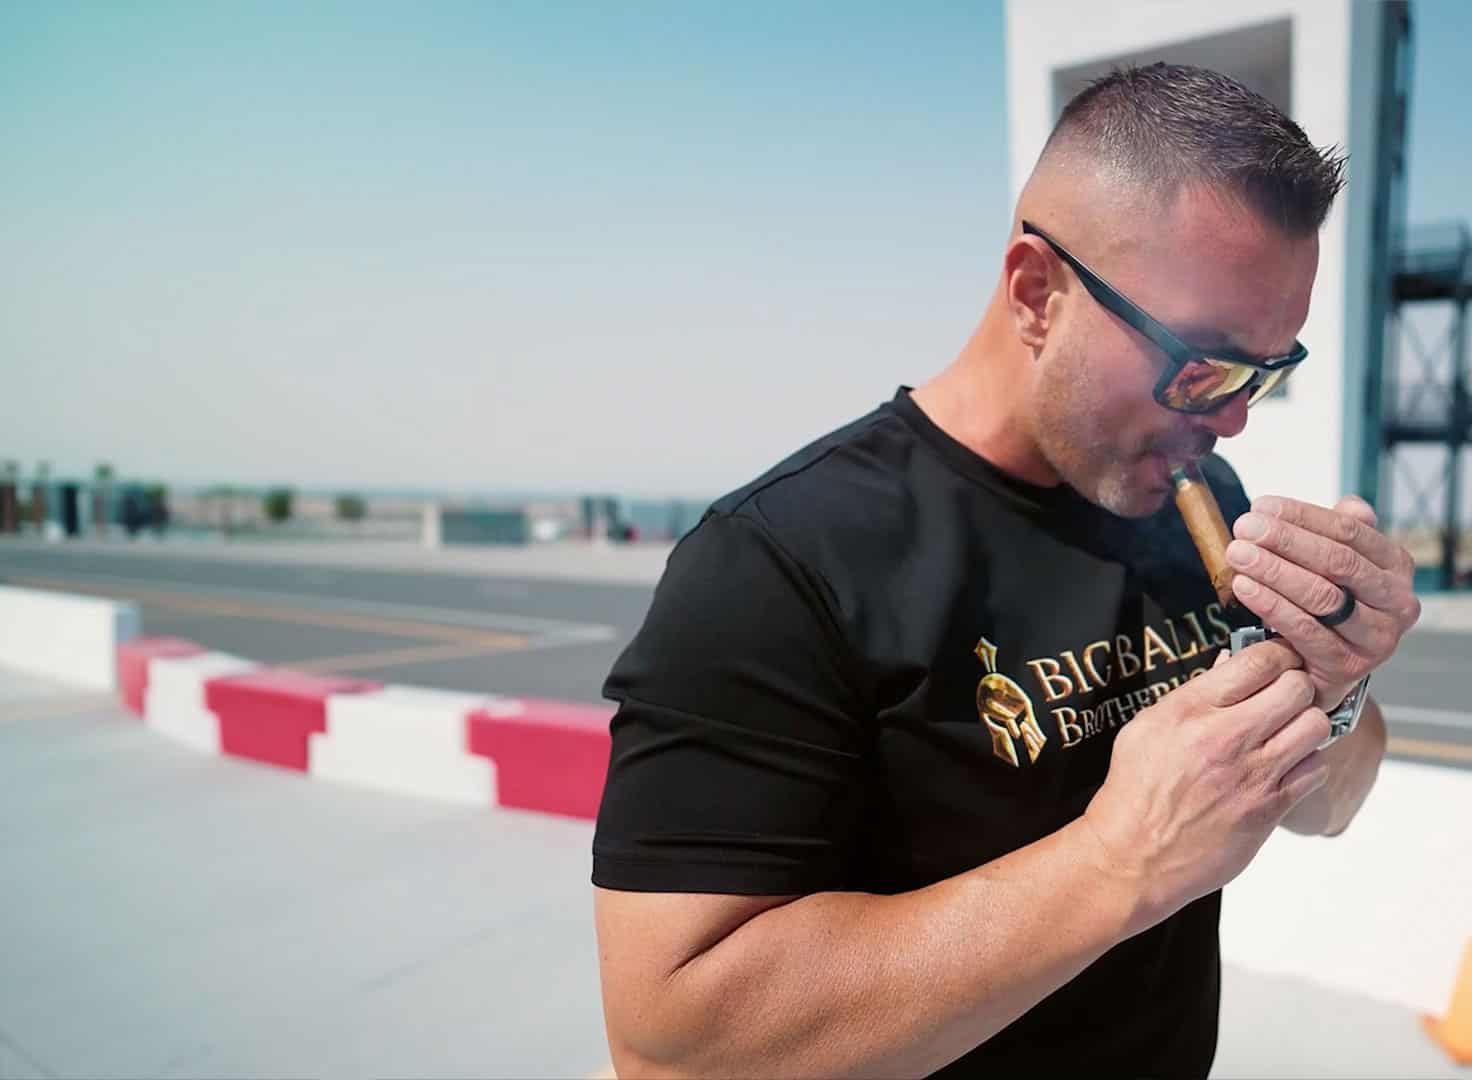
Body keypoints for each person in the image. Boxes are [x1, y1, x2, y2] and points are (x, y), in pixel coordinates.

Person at [591, 62, 1422, 1078]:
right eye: (1201, 363)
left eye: (1269, 368)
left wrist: (1335, 690)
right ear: (1037, 293)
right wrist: (1118, 861)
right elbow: (671, 1050)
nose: (1235, 415)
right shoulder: (777, 565)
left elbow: (1327, 807)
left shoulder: (1208, 505)